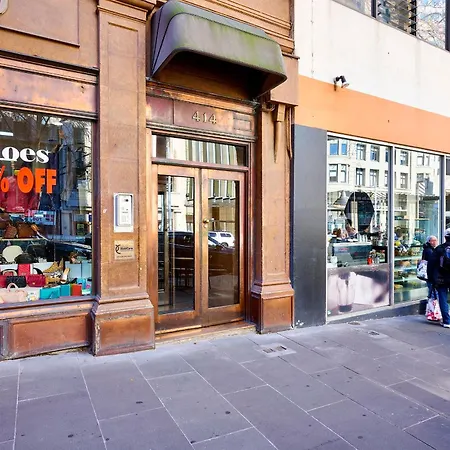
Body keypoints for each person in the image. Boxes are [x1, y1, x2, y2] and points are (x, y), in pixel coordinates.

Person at [427, 230, 450, 328]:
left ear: (445, 237)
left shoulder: (439, 249)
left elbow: (431, 265)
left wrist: (430, 278)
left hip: (441, 278)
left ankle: (447, 321)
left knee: (443, 299)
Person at [422, 235, 438, 299]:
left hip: (429, 271)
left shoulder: (429, 249)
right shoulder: (429, 250)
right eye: (433, 241)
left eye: (435, 240)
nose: (435, 242)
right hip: (430, 272)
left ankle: (430, 299)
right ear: (429, 241)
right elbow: (432, 261)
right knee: (432, 287)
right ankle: (431, 300)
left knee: (431, 288)